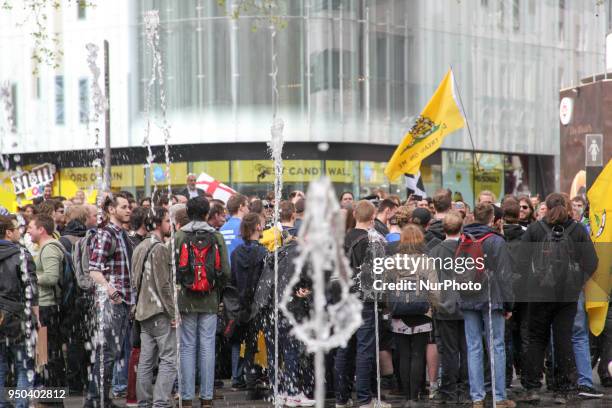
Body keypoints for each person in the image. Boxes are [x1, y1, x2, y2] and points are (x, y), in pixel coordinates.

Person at [518, 193, 599, 404]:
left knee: (536, 339)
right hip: (567, 295)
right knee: (564, 339)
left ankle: (533, 387)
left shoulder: (535, 229)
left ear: (546, 207)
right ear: (567, 206)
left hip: (538, 294)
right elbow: (592, 261)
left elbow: (521, 262)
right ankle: (565, 388)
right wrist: (578, 281)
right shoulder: (578, 230)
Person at [335, 200, 391, 408]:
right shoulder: (372, 240)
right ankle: (366, 399)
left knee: (344, 349)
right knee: (365, 349)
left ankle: (342, 398)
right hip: (364, 301)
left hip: (343, 299)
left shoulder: (343, 238)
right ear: (373, 217)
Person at [459, 203, 515, 408]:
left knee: (473, 346)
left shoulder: (463, 237)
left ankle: (477, 397)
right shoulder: (496, 240)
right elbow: (505, 275)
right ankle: (499, 397)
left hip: (467, 296)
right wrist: (509, 304)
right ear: (492, 219)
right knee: (496, 346)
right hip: (492, 297)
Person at [176, 197, 230, 408]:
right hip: (209, 298)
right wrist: (216, 289)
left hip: (186, 299)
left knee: (187, 347)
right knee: (207, 346)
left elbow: (173, 268)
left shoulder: (180, 235)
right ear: (207, 213)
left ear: (188, 213)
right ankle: (206, 398)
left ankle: (187, 397)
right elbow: (225, 270)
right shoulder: (216, 236)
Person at [85, 192, 133, 408]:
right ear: (112, 210)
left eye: (129, 206)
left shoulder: (122, 234)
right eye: (124, 207)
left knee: (111, 353)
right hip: (112, 302)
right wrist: (109, 289)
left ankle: (102, 398)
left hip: (122, 302)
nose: (129, 210)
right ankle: (96, 400)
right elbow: (94, 269)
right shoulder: (107, 235)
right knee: (106, 353)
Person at [385, 224, 439, 406]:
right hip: (422, 312)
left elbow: (386, 288)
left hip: (400, 313)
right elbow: (434, 290)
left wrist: (390, 306)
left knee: (404, 354)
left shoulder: (393, 261)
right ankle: (414, 397)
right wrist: (433, 307)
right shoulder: (425, 260)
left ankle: (406, 394)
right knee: (417, 354)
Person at [132, 207, 176, 408]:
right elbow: (163, 285)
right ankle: (160, 402)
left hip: (143, 312)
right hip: (158, 311)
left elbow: (134, 281)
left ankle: (144, 402)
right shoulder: (159, 248)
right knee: (168, 358)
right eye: (167, 221)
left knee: (146, 361)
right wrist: (173, 312)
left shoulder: (140, 246)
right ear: (158, 223)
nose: (171, 225)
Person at [430, 211, 469, 405]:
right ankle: (465, 388)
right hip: (467, 305)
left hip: (444, 306)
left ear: (443, 229)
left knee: (449, 351)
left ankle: (449, 389)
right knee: (468, 348)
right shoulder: (469, 250)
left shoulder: (435, 251)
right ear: (461, 228)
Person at [27, 213, 67, 404]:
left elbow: (51, 278)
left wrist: (29, 278)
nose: (28, 230)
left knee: (49, 354)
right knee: (45, 353)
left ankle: (53, 396)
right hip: (44, 306)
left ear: (41, 229)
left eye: (31, 227)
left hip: (47, 307)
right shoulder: (45, 247)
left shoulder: (49, 248)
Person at [0, 215, 38, 408]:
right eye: (16, 228)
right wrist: (37, 319)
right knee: (24, 364)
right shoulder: (21, 253)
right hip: (17, 316)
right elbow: (31, 290)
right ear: (8, 232)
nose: (19, 231)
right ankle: (22, 404)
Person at [229, 213, 267, 393]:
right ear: (257, 228)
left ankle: (241, 377)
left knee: (240, 341)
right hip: (257, 305)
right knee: (256, 342)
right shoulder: (263, 252)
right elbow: (265, 283)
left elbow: (233, 280)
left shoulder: (236, 253)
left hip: (241, 304)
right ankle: (254, 378)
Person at [220, 194, 249, 261]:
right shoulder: (244, 227)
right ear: (241, 207)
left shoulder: (222, 228)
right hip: (240, 268)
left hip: (225, 269)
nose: (248, 209)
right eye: (247, 206)